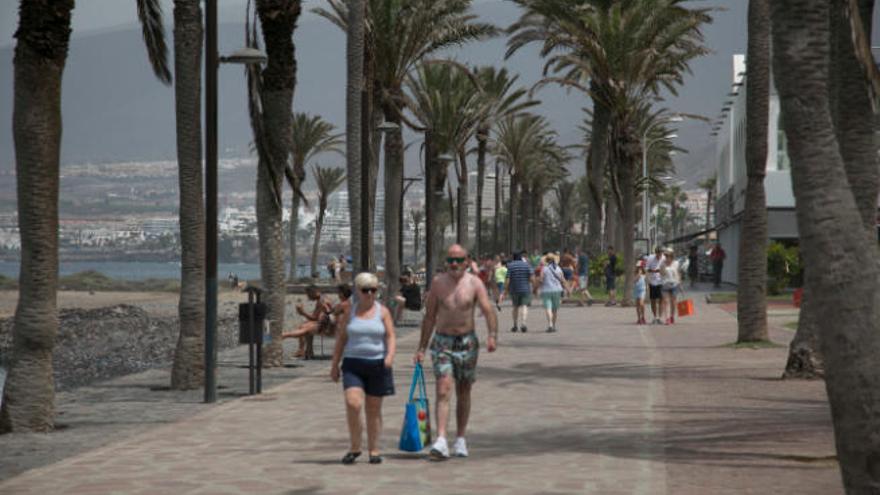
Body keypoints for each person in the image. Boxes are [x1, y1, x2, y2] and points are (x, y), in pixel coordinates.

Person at [414, 244, 498, 460]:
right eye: (450, 259)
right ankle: (441, 440)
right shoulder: (438, 284)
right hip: (442, 342)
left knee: (463, 391)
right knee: (443, 389)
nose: (454, 264)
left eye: (458, 260)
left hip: (467, 343)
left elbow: (488, 309)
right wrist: (422, 347)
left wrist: (492, 335)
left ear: (467, 261)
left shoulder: (475, 283)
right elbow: (430, 316)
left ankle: (460, 438)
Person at [330, 272, 396, 465]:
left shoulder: (382, 311)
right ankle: (355, 446)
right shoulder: (349, 311)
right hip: (353, 364)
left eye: (373, 290)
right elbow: (341, 338)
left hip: (377, 363)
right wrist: (334, 365)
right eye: (365, 290)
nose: (370, 294)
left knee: (373, 409)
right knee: (353, 403)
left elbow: (391, 336)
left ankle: (374, 449)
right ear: (357, 291)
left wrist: (390, 355)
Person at [282, 285, 333, 359]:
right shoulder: (323, 298)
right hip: (326, 323)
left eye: (309, 294)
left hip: (327, 326)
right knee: (305, 325)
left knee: (304, 327)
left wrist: (302, 312)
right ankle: (308, 351)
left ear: (315, 292)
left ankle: (286, 336)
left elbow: (314, 318)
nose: (308, 297)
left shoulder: (321, 301)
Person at [502, 250, 533, 333]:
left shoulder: (510, 266)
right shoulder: (527, 265)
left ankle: (515, 325)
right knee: (524, 306)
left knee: (515, 307)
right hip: (525, 289)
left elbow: (507, 279)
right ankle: (523, 324)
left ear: (513, 257)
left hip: (514, 289)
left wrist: (505, 290)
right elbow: (531, 278)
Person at [538, 253, 565, 333]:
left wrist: (539, 285)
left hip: (546, 290)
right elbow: (562, 279)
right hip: (557, 290)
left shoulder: (544, 269)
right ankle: (553, 325)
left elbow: (541, 279)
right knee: (555, 310)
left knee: (548, 308)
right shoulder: (559, 268)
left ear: (546, 260)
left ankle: (550, 325)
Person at [661, 248, 682, 325]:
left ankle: (672, 316)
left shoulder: (676, 263)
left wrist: (680, 284)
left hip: (674, 284)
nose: (667, 257)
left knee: (673, 302)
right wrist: (663, 267)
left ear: (672, 256)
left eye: (668, 256)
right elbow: (661, 274)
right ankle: (667, 318)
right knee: (666, 302)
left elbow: (678, 273)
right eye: (666, 256)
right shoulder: (663, 264)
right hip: (665, 284)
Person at [645, 246, 665, 324]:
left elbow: (666, 269)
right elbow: (646, 269)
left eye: (660, 253)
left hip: (661, 281)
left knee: (661, 300)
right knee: (653, 300)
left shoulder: (664, 258)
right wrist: (651, 272)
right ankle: (655, 317)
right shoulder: (650, 258)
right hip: (652, 281)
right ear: (655, 252)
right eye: (658, 253)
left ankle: (660, 317)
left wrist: (661, 271)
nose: (659, 255)